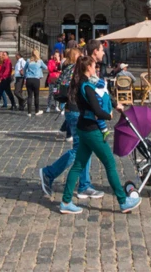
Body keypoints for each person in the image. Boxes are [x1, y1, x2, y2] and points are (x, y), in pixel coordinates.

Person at [55, 56, 142, 215]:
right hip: (92, 131)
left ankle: (66, 202)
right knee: (109, 164)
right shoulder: (87, 86)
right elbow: (97, 110)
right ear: (88, 67)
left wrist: (114, 104)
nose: (96, 68)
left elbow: (103, 96)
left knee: (78, 165)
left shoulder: (81, 84)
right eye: (94, 66)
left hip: (83, 128)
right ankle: (123, 202)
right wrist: (109, 115)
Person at [40, 47, 103, 202]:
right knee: (79, 150)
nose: (82, 57)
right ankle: (49, 172)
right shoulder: (76, 69)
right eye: (80, 55)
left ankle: (84, 185)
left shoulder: (68, 68)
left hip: (73, 110)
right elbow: (93, 82)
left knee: (85, 148)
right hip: (76, 111)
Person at [25, 50, 46, 115]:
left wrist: (25, 77)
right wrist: (39, 68)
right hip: (36, 79)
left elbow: (24, 68)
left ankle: (29, 112)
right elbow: (45, 67)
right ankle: (37, 111)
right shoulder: (39, 61)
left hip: (28, 79)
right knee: (36, 96)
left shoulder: (28, 60)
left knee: (29, 96)